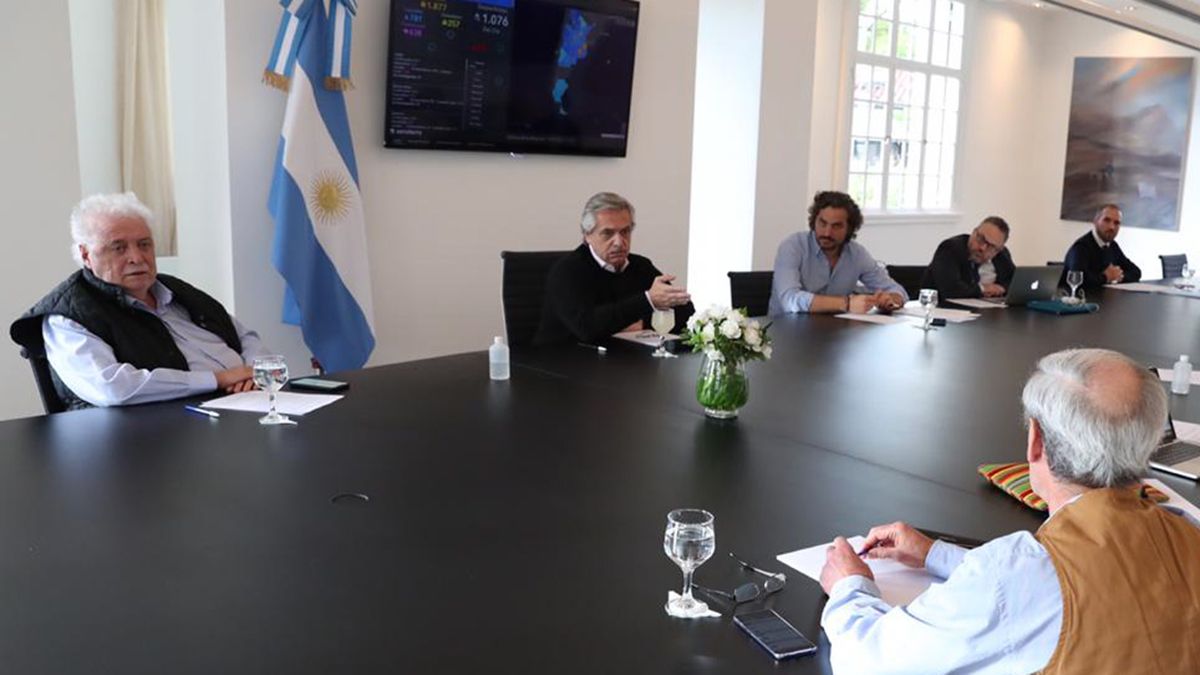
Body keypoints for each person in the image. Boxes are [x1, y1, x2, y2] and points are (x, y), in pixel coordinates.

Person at [818, 348, 1200, 674]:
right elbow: (1088, 583)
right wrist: (935, 555)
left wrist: (849, 586)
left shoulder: (1016, 572)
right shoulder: (1188, 533)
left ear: (1036, 442)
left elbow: (869, 661)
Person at [10, 193, 266, 409]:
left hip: (246, 402)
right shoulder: (67, 315)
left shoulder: (177, 290)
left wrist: (254, 373)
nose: (137, 257)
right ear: (86, 255)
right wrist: (218, 379)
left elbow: (245, 337)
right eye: (118, 247)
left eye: (144, 244)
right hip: (150, 440)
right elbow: (112, 388)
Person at [535, 192, 695, 345]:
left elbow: (687, 313)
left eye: (625, 232)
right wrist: (648, 301)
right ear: (587, 235)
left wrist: (641, 324)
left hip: (623, 357)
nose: (619, 242)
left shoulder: (641, 266)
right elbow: (586, 328)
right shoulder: (567, 271)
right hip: (565, 360)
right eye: (608, 233)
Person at [769, 191, 907, 315]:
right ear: (814, 221)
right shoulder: (793, 246)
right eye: (822, 223)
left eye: (836, 226)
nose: (827, 232)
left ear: (849, 229)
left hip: (834, 332)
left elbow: (896, 290)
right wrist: (846, 303)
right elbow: (790, 300)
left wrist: (890, 300)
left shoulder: (857, 253)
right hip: (786, 331)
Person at [921, 216, 1014, 300]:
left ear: (998, 250)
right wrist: (983, 289)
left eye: (991, 246)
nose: (982, 248)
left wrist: (1002, 288)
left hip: (987, 313)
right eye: (981, 239)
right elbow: (951, 289)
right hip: (941, 310)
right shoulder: (950, 248)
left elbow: (1015, 282)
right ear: (973, 233)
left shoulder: (1002, 255)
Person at [1061, 204, 1141, 291]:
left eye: (1116, 223)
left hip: (1106, 299)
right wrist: (1105, 277)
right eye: (1107, 220)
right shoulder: (1081, 247)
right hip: (1082, 301)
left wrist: (1119, 276)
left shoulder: (1112, 245)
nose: (1112, 227)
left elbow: (1136, 272)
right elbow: (1077, 280)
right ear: (1095, 221)